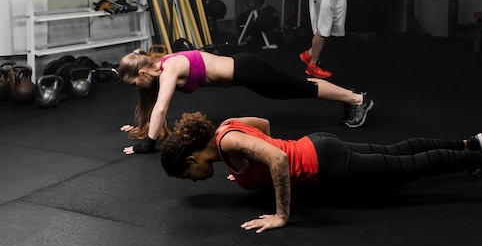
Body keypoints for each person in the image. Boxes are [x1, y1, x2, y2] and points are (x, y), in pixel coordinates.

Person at [160, 112, 482, 234]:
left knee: (410, 167)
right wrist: (251, 166)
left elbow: (279, 161)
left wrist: (283, 215)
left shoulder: (228, 146)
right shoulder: (226, 133)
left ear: (191, 160)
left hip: (328, 165)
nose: (193, 181)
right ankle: (468, 144)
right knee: (401, 151)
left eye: (187, 176)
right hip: (318, 145)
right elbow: (265, 128)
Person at [117, 49, 375, 154]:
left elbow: (162, 107)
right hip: (244, 73)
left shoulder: (170, 67)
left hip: (248, 71)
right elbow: (153, 105)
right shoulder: (159, 68)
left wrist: (148, 145)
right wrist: (141, 125)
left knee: (300, 88)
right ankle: (351, 97)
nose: (135, 88)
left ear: (141, 73)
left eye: (133, 83)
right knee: (298, 88)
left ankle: (357, 99)